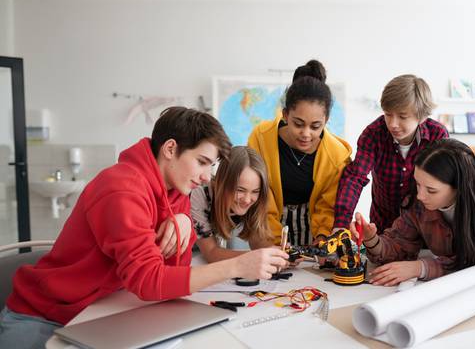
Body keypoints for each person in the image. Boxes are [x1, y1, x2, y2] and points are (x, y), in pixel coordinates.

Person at [0, 107, 288, 348]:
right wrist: (236, 267)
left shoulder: (177, 190)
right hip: (43, 316)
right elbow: (149, 281)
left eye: (209, 166)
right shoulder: (121, 189)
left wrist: (184, 220)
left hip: (99, 312)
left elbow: (177, 268)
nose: (204, 177)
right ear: (170, 149)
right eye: (201, 162)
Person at [350, 138, 475, 286]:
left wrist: (421, 268)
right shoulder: (418, 202)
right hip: (459, 289)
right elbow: (400, 247)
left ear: (460, 188)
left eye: (431, 190)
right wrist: (371, 239)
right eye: (417, 184)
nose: (420, 196)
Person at [248, 60, 352, 246]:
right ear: (285, 114)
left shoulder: (337, 156)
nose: (306, 134)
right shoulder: (261, 138)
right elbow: (261, 196)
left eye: (315, 126)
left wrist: (321, 239)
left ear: (326, 120)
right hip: (266, 226)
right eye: (298, 124)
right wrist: (277, 242)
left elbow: (327, 206)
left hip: (312, 230)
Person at [333, 74, 449, 234]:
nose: (393, 124)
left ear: (421, 117)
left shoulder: (437, 135)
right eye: (388, 114)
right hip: (383, 226)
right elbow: (355, 177)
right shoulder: (373, 134)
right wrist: (341, 223)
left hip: (425, 227)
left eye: (402, 117)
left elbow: (444, 185)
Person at [191, 146, 273, 262]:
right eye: (240, 190)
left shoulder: (255, 201)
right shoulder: (199, 195)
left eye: (255, 191)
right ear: (223, 183)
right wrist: (258, 257)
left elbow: (258, 241)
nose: (247, 200)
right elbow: (211, 253)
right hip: (188, 263)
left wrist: (276, 252)